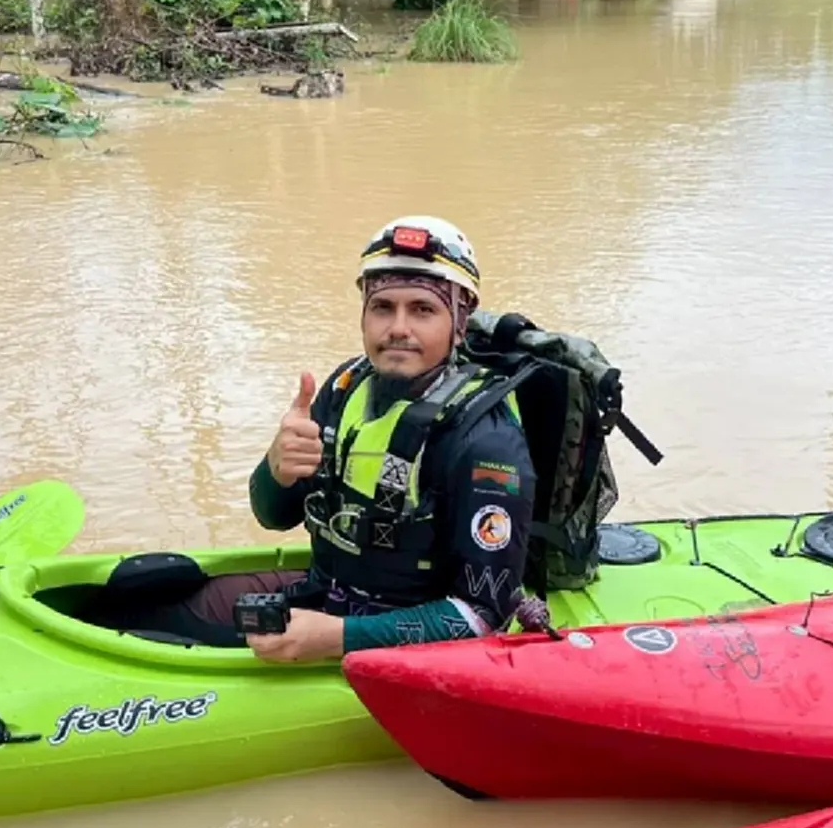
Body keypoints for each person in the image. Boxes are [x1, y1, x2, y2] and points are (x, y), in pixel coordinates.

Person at [111, 216, 536, 663]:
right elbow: (273, 516)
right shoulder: (345, 387)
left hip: (391, 640)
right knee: (136, 606)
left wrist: (338, 638)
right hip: (322, 591)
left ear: (460, 323)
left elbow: (483, 615)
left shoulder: (487, 443)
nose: (398, 328)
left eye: (423, 310)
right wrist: (277, 469)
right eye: (382, 307)